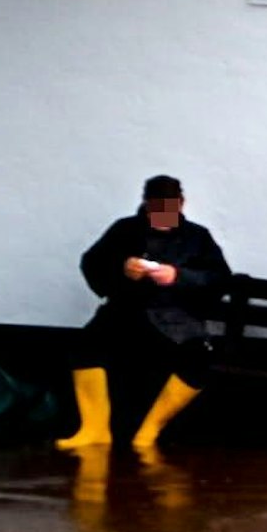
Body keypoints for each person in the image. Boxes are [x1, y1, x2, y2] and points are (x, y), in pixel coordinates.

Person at [55, 175, 232, 450]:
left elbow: (220, 279)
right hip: (126, 311)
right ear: (146, 205)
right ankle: (95, 429)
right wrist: (122, 270)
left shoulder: (197, 237)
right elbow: (92, 263)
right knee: (85, 347)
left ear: (181, 204)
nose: (163, 215)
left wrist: (178, 276)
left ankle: (149, 432)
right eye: (156, 208)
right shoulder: (124, 230)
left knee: (198, 360)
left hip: (177, 318)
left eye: (169, 208)